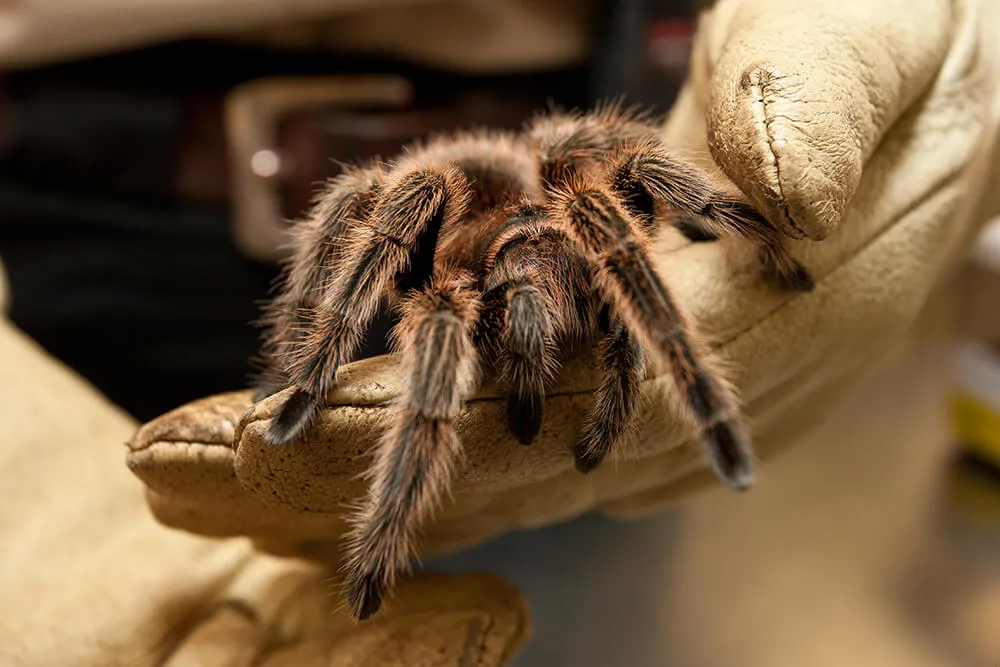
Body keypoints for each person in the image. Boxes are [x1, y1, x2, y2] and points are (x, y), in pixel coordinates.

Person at [2, 0, 999, 664]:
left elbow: (634, 185)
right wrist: (312, 369)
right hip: (73, 202)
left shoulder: (586, 218)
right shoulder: (433, 261)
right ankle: (357, 497)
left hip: (620, 90)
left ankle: (705, 416)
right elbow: (374, 224)